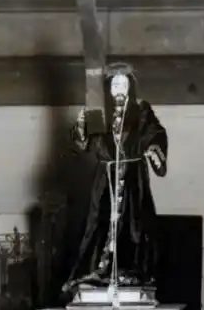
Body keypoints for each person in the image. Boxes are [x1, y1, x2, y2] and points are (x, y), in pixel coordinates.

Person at [64, 62, 169, 291]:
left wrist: (152, 149)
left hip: (133, 177)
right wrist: (81, 125)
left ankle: (130, 271)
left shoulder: (141, 110)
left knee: (134, 224)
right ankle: (96, 271)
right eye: (114, 84)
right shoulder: (98, 111)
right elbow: (84, 144)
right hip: (105, 176)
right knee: (99, 221)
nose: (119, 88)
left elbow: (156, 133)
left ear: (130, 86)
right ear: (107, 88)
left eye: (123, 84)